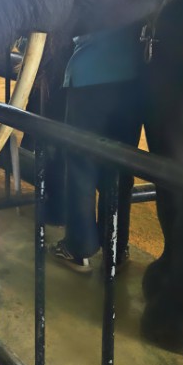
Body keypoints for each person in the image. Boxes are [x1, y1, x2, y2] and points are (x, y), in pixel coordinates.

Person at [49, 25, 144, 273]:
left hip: (89, 76)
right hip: (133, 80)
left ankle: (78, 248)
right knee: (120, 168)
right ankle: (117, 248)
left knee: (81, 165)